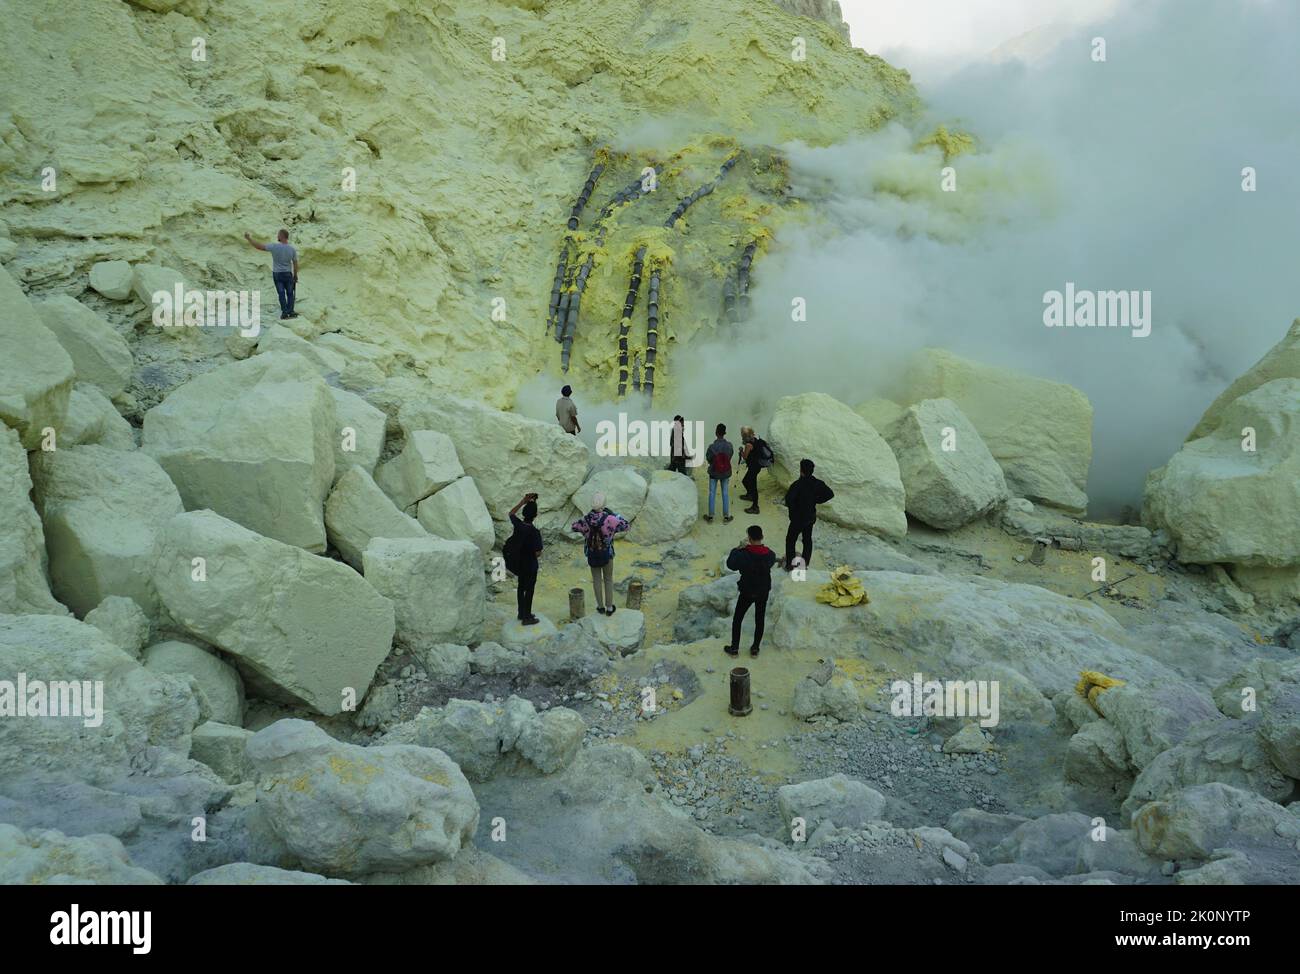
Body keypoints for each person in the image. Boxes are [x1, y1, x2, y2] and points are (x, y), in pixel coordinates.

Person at [571, 492, 629, 615]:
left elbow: (574, 526)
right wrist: (614, 515)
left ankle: (600, 607)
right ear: (604, 504)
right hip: (607, 554)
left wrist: (586, 519)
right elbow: (626, 525)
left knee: (596, 580)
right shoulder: (610, 519)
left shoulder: (586, 519)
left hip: (592, 553)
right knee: (608, 579)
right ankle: (609, 608)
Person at [725, 525, 777, 658]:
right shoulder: (770, 554)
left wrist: (737, 548)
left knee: (738, 619)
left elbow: (731, 564)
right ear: (762, 537)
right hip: (763, 590)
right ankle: (755, 649)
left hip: (747, 590)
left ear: (749, 538)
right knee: (759, 620)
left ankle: (735, 649)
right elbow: (770, 560)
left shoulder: (743, 554)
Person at [783, 458, 834, 571]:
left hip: (797, 518)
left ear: (801, 470)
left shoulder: (797, 485)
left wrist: (793, 510)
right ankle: (804, 564)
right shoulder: (817, 483)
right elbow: (830, 494)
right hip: (810, 517)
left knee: (790, 540)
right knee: (807, 540)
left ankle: (790, 565)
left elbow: (789, 500)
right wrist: (817, 500)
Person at [505, 493, 544, 625]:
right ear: (535, 515)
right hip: (531, 565)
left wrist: (523, 501)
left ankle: (521, 613)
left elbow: (511, 513)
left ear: (524, 514)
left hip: (519, 563)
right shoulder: (535, 532)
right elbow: (538, 552)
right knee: (530, 590)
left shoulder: (519, 525)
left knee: (521, 588)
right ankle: (527, 617)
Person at [244, 229, 299, 319]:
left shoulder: (274, 247)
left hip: (277, 274)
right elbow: (295, 263)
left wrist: (249, 239)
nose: (277, 236)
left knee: (281, 293)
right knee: (290, 293)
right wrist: (295, 275)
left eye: (278, 235)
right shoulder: (292, 249)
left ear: (281, 236)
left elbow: (259, 247)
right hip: (288, 274)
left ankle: (284, 313)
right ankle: (291, 311)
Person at [738, 426, 774, 514]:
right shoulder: (755, 440)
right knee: (745, 481)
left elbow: (745, 457)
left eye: (742, 434)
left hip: (754, 467)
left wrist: (741, 451)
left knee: (752, 485)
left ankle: (755, 507)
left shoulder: (748, 445)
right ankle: (750, 495)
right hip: (756, 466)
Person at [704, 423, 734, 523]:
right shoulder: (729, 446)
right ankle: (726, 517)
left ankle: (710, 517)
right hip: (725, 473)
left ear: (716, 433)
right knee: (725, 493)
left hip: (714, 472)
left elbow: (708, 459)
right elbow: (729, 457)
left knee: (712, 493)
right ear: (724, 433)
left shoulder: (712, 447)